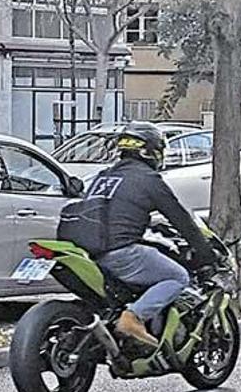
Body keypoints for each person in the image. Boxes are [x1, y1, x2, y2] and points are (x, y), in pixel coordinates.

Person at [87, 122, 217, 348]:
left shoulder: (104, 177)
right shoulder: (148, 179)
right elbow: (181, 219)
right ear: (150, 151)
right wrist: (206, 252)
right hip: (120, 252)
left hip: (89, 251)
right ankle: (133, 317)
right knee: (178, 277)